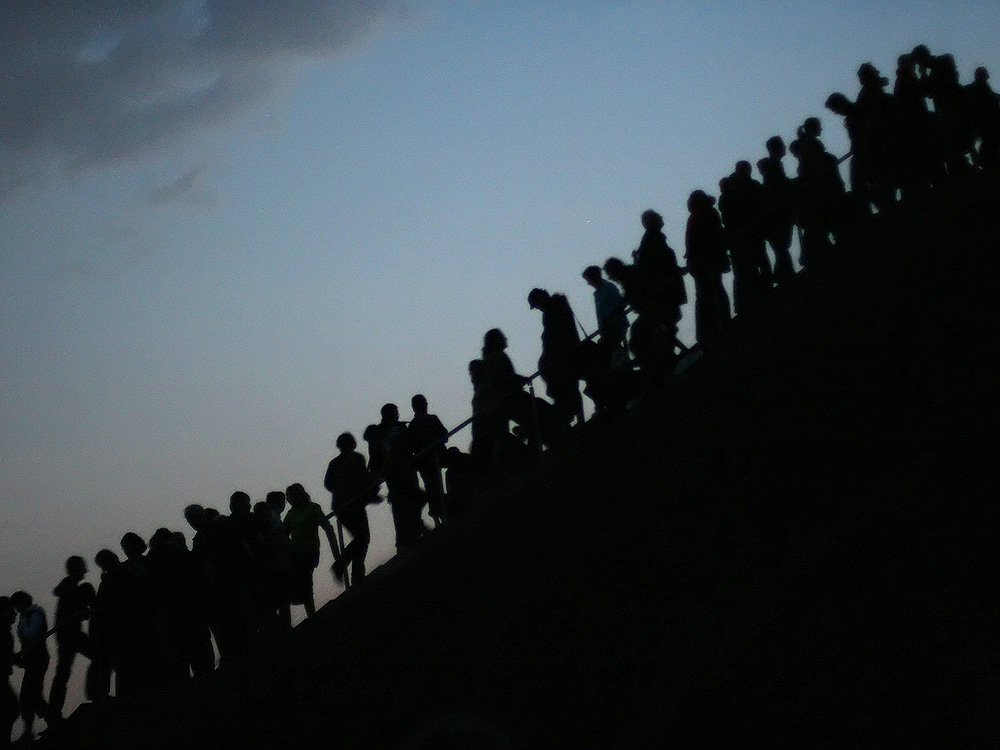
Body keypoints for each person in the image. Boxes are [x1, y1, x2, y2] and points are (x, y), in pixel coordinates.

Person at [527, 288, 585, 432]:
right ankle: (577, 418)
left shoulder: (552, 310)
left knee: (567, 390)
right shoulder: (559, 306)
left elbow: (554, 335)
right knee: (571, 389)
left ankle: (571, 419)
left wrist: (549, 355)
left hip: (563, 356)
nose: (538, 309)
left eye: (537, 305)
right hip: (567, 354)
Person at [370, 404, 426, 551]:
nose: (397, 415)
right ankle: (404, 539)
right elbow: (376, 454)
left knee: (415, 497)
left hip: (407, 468)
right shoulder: (380, 432)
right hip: (393, 473)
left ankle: (415, 528)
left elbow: (410, 443)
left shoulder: (400, 428)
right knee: (401, 504)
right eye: (395, 412)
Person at [47, 556, 96, 719]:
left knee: (62, 674)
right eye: (82, 567)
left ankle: (54, 711)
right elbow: (73, 610)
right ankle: (95, 693)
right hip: (70, 635)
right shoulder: (71, 586)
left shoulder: (70, 586)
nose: (84, 570)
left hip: (68, 635)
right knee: (99, 657)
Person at [283, 483, 339, 617]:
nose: (289, 499)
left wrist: (335, 552)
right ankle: (310, 613)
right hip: (294, 552)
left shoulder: (312, 508)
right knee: (299, 583)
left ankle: (311, 614)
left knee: (306, 580)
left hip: (309, 550)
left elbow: (328, 529)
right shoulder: (290, 514)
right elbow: (283, 534)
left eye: (291, 495)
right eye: (288, 496)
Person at [325, 432, 375, 582]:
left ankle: (354, 573)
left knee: (360, 538)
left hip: (340, 506)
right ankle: (346, 568)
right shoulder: (357, 458)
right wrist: (370, 494)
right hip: (354, 503)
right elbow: (364, 479)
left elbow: (328, 484)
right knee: (363, 537)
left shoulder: (334, 463)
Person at [685, 189, 731, 348]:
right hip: (708, 259)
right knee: (715, 291)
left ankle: (709, 330)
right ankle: (720, 323)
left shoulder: (698, 217)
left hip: (703, 261)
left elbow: (696, 241)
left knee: (707, 296)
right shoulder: (710, 214)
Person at [10, 591, 51, 741]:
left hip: (37, 660)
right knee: (30, 695)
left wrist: (21, 626)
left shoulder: (34, 615)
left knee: (30, 694)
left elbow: (32, 634)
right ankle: (35, 727)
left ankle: (49, 722)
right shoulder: (29, 615)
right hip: (33, 660)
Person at [756, 136, 796, 284]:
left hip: (774, 212)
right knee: (782, 246)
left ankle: (782, 274)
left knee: (781, 246)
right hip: (779, 211)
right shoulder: (775, 166)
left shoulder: (771, 168)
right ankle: (784, 274)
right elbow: (780, 186)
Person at [408, 395, 449, 525]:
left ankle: (440, 513)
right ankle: (439, 515)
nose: (425, 406)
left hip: (432, 458)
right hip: (427, 460)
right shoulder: (417, 424)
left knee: (434, 487)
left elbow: (444, 435)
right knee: (433, 487)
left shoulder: (420, 423)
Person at [1, 597, 18, 750]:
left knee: (10, 709)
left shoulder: (5, 632)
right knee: (10, 709)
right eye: (11, 611)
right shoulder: (3, 632)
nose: (14, 614)